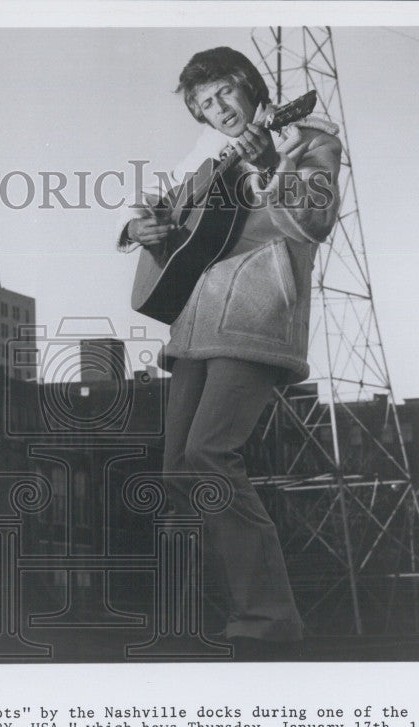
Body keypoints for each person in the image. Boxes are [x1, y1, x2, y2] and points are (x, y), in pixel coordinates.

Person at [116, 46, 342, 659]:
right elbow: (168, 218)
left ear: (250, 85)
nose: (218, 112)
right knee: (177, 474)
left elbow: (312, 220)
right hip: (194, 322)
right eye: (205, 106)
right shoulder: (208, 161)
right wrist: (139, 231)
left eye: (224, 96)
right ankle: (187, 620)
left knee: (210, 452)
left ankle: (268, 618)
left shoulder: (307, 139)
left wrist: (273, 167)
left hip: (257, 313)